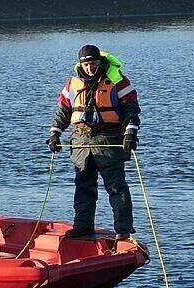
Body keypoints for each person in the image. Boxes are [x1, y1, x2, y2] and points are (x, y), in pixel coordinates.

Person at [47, 44, 141, 240]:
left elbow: (131, 109)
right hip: (81, 141)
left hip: (109, 140)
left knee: (116, 187)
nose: (90, 68)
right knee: (83, 186)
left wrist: (130, 133)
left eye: (94, 64)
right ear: (81, 65)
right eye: (87, 65)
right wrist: (55, 133)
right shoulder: (72, 84)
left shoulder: (118, 81)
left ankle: (123, 229)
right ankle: (83, 226)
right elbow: (63, 111)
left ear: (100, 62)